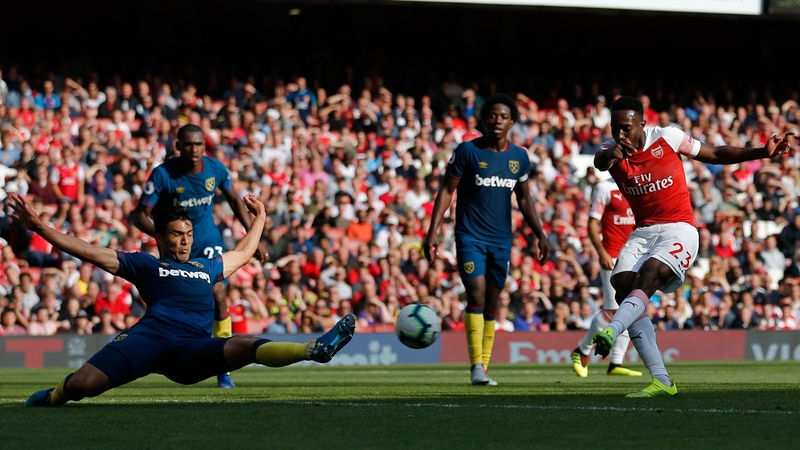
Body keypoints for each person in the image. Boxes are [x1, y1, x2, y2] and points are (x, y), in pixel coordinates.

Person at [15, 192, 355, 407]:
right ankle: (53, 396)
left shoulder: (206, 267)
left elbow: (243, 253)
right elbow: (88, 251)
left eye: (189, 235)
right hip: (147, 340)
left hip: (190, 348)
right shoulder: (145, 263)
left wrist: (260, 218)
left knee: (243, 344)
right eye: (177, 235)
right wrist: (41, 228)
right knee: (81, 385)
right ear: (160, 237)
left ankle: (314, 349)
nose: (185, 242)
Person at [591, 96, 794, 397]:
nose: (621, 135)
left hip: (680, 229)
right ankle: (662, 380)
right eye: (615, 128)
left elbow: (713, 153)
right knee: (623, 287)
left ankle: (611, 330)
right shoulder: (611, 152)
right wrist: (611, 154)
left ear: (642, 124)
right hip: (643, 232)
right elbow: (600, 160)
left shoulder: (667, 137)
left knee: (649, 276)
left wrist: (761, 152)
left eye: (627, 128)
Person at [423, 94, 550, 386]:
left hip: (501, 240)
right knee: (477, 294)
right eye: (492, 116)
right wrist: (432, 231)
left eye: (503, 116)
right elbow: (446, 190)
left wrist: (541, 234)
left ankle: (485, 366)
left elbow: (525, 199)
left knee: (493, 302)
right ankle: (476, 365)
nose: (497, 121)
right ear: (484, 119)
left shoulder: (519, 157)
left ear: (512, 122)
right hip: (470, 235)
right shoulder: (467, 152)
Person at [132, 124, 268, 389]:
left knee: (218, 293)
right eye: (188, 144)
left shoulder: (215, 169)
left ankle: (224, 369)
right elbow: (138, 215)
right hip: (173, 246)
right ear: (178, 146)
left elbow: (234, 200)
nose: (193, 150)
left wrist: (254, 234)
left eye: (198, 144)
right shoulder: (163, 175)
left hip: (206, 240)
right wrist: (162, 235)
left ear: (204, 145)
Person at [571, 178, 642, 378]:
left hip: (634, 256)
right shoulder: (605, 188)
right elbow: (592, 224)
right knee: (612, 309)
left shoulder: (638, 186)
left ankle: (615, 363)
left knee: (632, 307)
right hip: (611, 256)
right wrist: (601, 252)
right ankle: (582, 351)